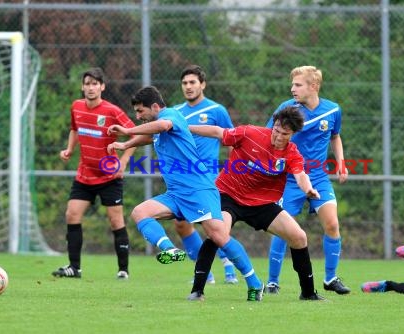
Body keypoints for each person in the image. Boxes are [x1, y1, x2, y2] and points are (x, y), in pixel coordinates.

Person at [106, 86, 264, 301]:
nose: (138, 116)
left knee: (218, 236)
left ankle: (254, 282)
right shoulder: (157, 129)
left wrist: (127, 130)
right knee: (140, 212)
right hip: (176, 194)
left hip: (198, 190)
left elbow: (162, 125)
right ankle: (170, 250)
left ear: (155, 107)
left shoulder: (171, 115)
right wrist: (126, 144)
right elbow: (150, 137)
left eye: (140, 111)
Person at [188, 106, 325, 301]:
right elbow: (218, 132)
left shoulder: (292, 153)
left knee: (299, 237)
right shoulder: (249, 133)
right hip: (229, 195)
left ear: (293, 134)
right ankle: (197, 291)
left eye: (284, 134)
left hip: (262, 204)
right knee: (218, 234)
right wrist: (186, 127)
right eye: (276, 130)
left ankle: (309, 293)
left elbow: (300, 174)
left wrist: (308, 189)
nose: (277, 136)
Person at [265, 66, 350, 295]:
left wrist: (341, 162)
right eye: (292, 85)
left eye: (298, 85)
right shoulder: (287, 109)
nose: (293, 89)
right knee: (284, 229)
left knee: (332, 224)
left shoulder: (332, 110)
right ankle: (272, 281)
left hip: (319, 177)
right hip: (291, 178)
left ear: (314, 87)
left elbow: (335, 136)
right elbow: (268, 136)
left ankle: (330, 279)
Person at [52, 67, 136, 279]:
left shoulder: (112, 111)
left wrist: (123, 162)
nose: (90, 88)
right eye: (87, 83)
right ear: (82, 86)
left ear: (102, 87)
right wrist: (70, 149)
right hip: (84, 174)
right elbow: (75, 129)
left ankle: (123, 270)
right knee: (72, 214)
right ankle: (74, 268)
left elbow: (134, 134)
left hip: (109, 176)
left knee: (116, 221)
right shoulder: (77, 106)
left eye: (95, 84)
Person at [172, 65, 237, 284]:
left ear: (203, 85)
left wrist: (231, 170)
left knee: (211, 225)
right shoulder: (176, 112)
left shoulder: (216, 111)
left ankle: (230, 268)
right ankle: (206, 273)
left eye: (192, 82)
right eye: (185, 83)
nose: (188, 87)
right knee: (181, 225)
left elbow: (231, 140)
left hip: (208, 177)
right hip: (183, 178)